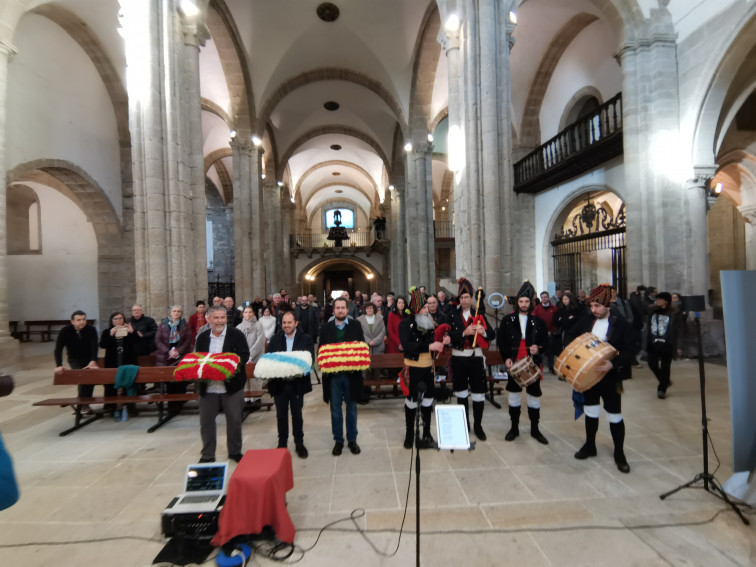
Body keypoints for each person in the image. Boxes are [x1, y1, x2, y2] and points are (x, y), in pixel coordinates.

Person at [567, 284, 633, 473]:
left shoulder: (620, 324)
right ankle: (590, 446)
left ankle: (619, 453)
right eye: (591, 306)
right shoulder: (587, 321)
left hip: (611, 377)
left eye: (597, 306)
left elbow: (630, 349)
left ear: (607, 305)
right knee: (591, 411)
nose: (593, 310)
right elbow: (570, 335)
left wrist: (614, 363)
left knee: (614, 414)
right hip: (590, 376)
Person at [194, 305, 250, 463]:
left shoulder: (236, 335)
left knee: (234, 420)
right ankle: (207, 454)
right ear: (209, 319)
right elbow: (198, 358)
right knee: (206, 422)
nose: (220, 321)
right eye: (216, 318)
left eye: (222, 317)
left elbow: (244, 355)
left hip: (231, 386)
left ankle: (234, 451)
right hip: (209, 387)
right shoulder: (203, 337)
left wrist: (228, 367)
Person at [497, 282, 549, 444]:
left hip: (532, 365)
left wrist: (538, 349)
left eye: (527, 302)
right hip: (514, 364)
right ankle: (514, 428)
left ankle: (535, 429)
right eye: (521, 302)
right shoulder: (507, 320)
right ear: (517, 303)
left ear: (531, 303)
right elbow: (502, 341)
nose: (524, 305)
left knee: (534, 398)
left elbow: (545, 343)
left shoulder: (538, 322)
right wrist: (506, 357)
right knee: (514, 397)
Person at [399, 287, 448, 449]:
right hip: (413, 369)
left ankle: (426, 432)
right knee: (412, 402)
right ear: (416, 309)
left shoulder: (429, 323)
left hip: (428, 368)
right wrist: (430, 346)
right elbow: (408, 345)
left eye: (427, 307)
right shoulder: (405, 324)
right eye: (425, 307)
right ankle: (409, 434)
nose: (428, 309)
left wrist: (443, 341)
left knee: (428, 401)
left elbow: (435, 341)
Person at [448, 278, 495, 441]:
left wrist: (483, 332)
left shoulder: (479, 314)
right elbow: (447, 335)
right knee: (461, 393)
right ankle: (464, 424)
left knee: (478, 393)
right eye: (461, 298)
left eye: (466, 297)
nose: (464, 300)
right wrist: (463, 332)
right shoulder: (452, 315)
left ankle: (478, 425)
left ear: (471, 298)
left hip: (476, 358)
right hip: (459, 357)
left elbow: (492, 334)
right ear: (458, 299)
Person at [319, 297, 366, 456]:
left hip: (351, 375)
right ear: (333, 310)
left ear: (347, 309)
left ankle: (352, 439)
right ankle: (338, 440)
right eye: (337, 308)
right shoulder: (325, 328)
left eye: (343, 308)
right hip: (333, 377)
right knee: (335, 409)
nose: (340, 310)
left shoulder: (355, 325)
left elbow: (361, 346)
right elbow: (321, 351)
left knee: (352, 408)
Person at [266, 311, 314, 458]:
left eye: (289, 323)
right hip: (279, 384)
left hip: (297, 384)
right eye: (284, 323)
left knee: (297, 415)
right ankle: (282, 443)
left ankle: (299, 443)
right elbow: (270, 359)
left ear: (296, 323)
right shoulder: (275, 339)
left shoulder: (305, 339)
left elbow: (309, 359)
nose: (286, 326)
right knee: (281, 415)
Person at [54, 310, 99, 413]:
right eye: (78, 320)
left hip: (89, 358)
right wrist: (59, 365)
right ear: (72, 321)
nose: (82, 322)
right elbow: (58, 349)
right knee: (82, 377)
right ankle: (83, 404)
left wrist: (93, 360)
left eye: (83, 319)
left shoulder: (91, 329)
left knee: (90, 380)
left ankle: (84, 404)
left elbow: (94, 345)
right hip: (74, 358)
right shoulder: (65, 331)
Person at [99, 311, 138, 419]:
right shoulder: (107, 331)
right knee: (110, 384)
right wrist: (111, 335)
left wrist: (132, 332)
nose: (118, 320)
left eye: (120, 318)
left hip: (127, 360)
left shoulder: (129, 330)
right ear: (112, 321)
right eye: (115, 319)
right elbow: (103, 345)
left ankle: (130, 406)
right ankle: (110, 406)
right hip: (113, 361)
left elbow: (137, 342)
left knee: (129, 383)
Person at [156, 305, 194, 415]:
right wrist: (169, 351)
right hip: (166, 357)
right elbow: (158, 340)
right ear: (170, 313)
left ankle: (180, 404)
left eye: (179, 311)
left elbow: (188, 340)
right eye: (174, 311)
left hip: (180, 355)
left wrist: (178, 351)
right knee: (170, 381)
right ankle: (171, 405)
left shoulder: (184, 325)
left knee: (180, 380)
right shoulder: (163, 325)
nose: (176, 313)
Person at [646, 291, 679, 399]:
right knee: (652, 364)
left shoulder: (674, 312)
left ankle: (662, 389)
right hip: (653, 342)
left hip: (667, 343)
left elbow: (679, 330)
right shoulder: (652, 310)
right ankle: (665, 381)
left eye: (660, 299)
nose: (658, 301)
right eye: (657, 299)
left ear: (666, 301)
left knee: (665, 367)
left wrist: (679, 346)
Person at [533, 291, 558, 374]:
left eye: (545, 297)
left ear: (548, 297)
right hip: (540, 333)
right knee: (541, 351)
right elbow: (535, 321)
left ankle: (551, 367)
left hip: (551, 332)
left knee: (551, 351)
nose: (544, 299)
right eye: (542, 297)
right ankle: (540, 368)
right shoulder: (537, 308)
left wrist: (551, 330)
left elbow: (556, 321)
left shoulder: (554, 308)